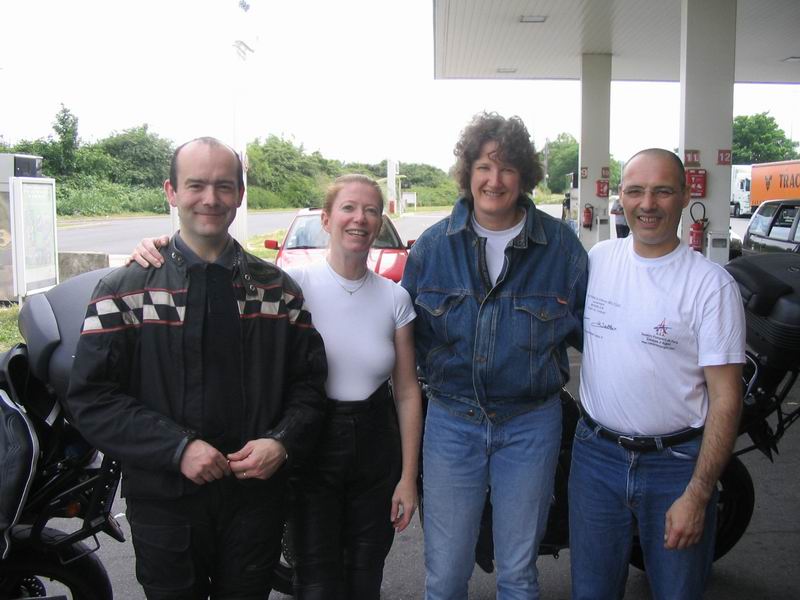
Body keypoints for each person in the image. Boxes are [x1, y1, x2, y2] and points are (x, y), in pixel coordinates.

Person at [130, 174, 423, 600]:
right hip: (311, 444)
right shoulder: (288, 284)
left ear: (380, 222)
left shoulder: (395, 298)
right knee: (316, 581)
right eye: (348, 208)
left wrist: (408, 478)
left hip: (376, 449)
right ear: (327, 219)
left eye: (371, 211)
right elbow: (213, 259)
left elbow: (408, 393)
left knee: (366, 575)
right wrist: (159, 247)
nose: (360, 218)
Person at [67, 137, 328, 600]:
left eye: (224, 186)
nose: (211, 198)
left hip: (255, 502)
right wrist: (177, 449)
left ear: (240, 194)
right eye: (196, 185)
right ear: (171, 191)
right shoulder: (125, 290)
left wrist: (281, 442)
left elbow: (309, 386)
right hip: (165, 505)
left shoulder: (278, 290)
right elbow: (92, 398)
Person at [401, 112, 587, 600]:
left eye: (507, 168)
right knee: (445, 575)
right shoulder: (432, 248)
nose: (495, 179)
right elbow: (401, 336)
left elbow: (598, 333)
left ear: (524, 176)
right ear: (468, 173)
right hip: (451, 423)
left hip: (530, 425)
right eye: (484, 166)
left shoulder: (561, 247)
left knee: (518, 575)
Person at [569, 148, 745, 599]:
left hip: (675, 467)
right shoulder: (598, 260)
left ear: (685, 196)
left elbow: (726, 397)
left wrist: (699, 493)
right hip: (595, 459)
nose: (647, 204)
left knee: (676, 591)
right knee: (591, 591)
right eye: (636, 191)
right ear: (620, 197)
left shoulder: (711, 285)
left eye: (662, 191)